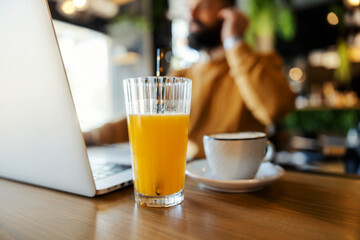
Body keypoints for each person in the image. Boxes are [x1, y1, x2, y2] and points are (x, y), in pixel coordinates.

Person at [84, 0, 296, 159]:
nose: (191, 14)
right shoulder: (182, 76)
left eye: (203, 6)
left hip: (239, 192)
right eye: (189, 7)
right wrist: (90, 137)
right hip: (186, 188)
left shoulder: (259, 64)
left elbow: (274, 109)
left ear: (228, 14)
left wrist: (234, 40)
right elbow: (143, 121)